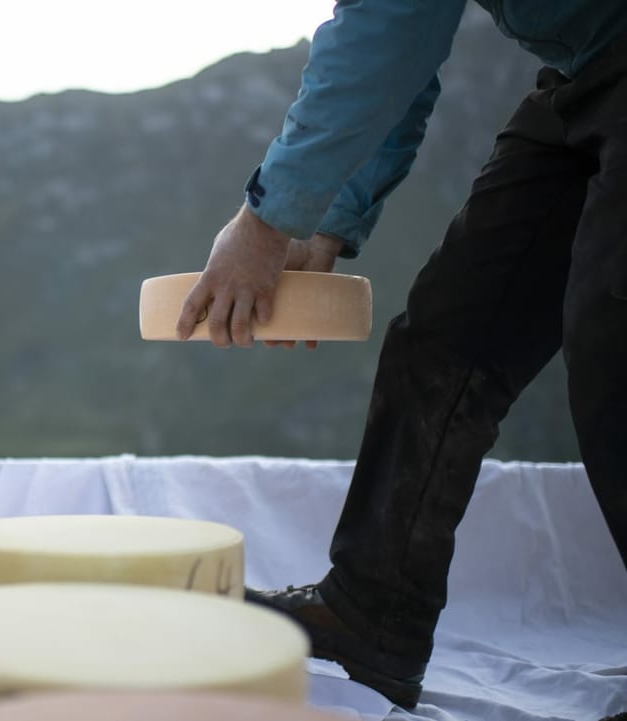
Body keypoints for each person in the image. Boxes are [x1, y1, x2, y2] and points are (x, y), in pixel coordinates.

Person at [175, 0, 627, 710]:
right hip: (581, 72)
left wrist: (264, 223)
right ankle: (370, 615)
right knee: (445, 340)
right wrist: (324, 225)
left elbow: (383, 27)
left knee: (613, 356)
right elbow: (406, 40)